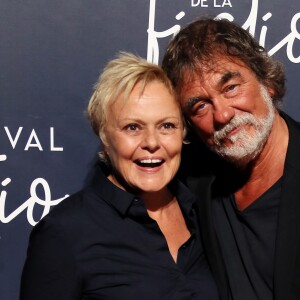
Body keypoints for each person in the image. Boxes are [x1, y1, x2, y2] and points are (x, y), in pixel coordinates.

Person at [20, 52, 219, 299]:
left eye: (166, 126)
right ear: (104, 138)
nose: (151, 143)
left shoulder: (204, 212)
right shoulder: (65, 233)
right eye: (132, 127)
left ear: (182, 132)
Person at [162, 17, 300, 300]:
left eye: (231, 88)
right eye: (200, 106)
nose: (223, 115)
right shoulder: (190, 179)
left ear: (267, 81)